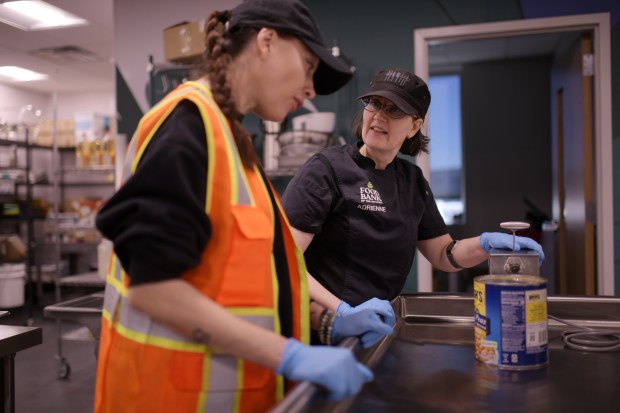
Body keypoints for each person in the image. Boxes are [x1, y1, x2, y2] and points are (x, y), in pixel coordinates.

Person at [93, 2, 392, 412]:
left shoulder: (234, 142)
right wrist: (290, 356)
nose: (310, 91)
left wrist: (329, 319)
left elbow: (250, 286)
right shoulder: (189, 126)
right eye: (308, 67)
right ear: (266, 41)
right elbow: (154, 289)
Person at [281, 68, 545, 312]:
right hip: (322, 322)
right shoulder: (325, 169)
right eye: (374, 103)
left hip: (379, 322)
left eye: (395, 110)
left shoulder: (412, 181)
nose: (379, 116)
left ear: (414, 126)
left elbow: (444, 253)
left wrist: (485, 245)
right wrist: (341, 312)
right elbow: (284, 256)